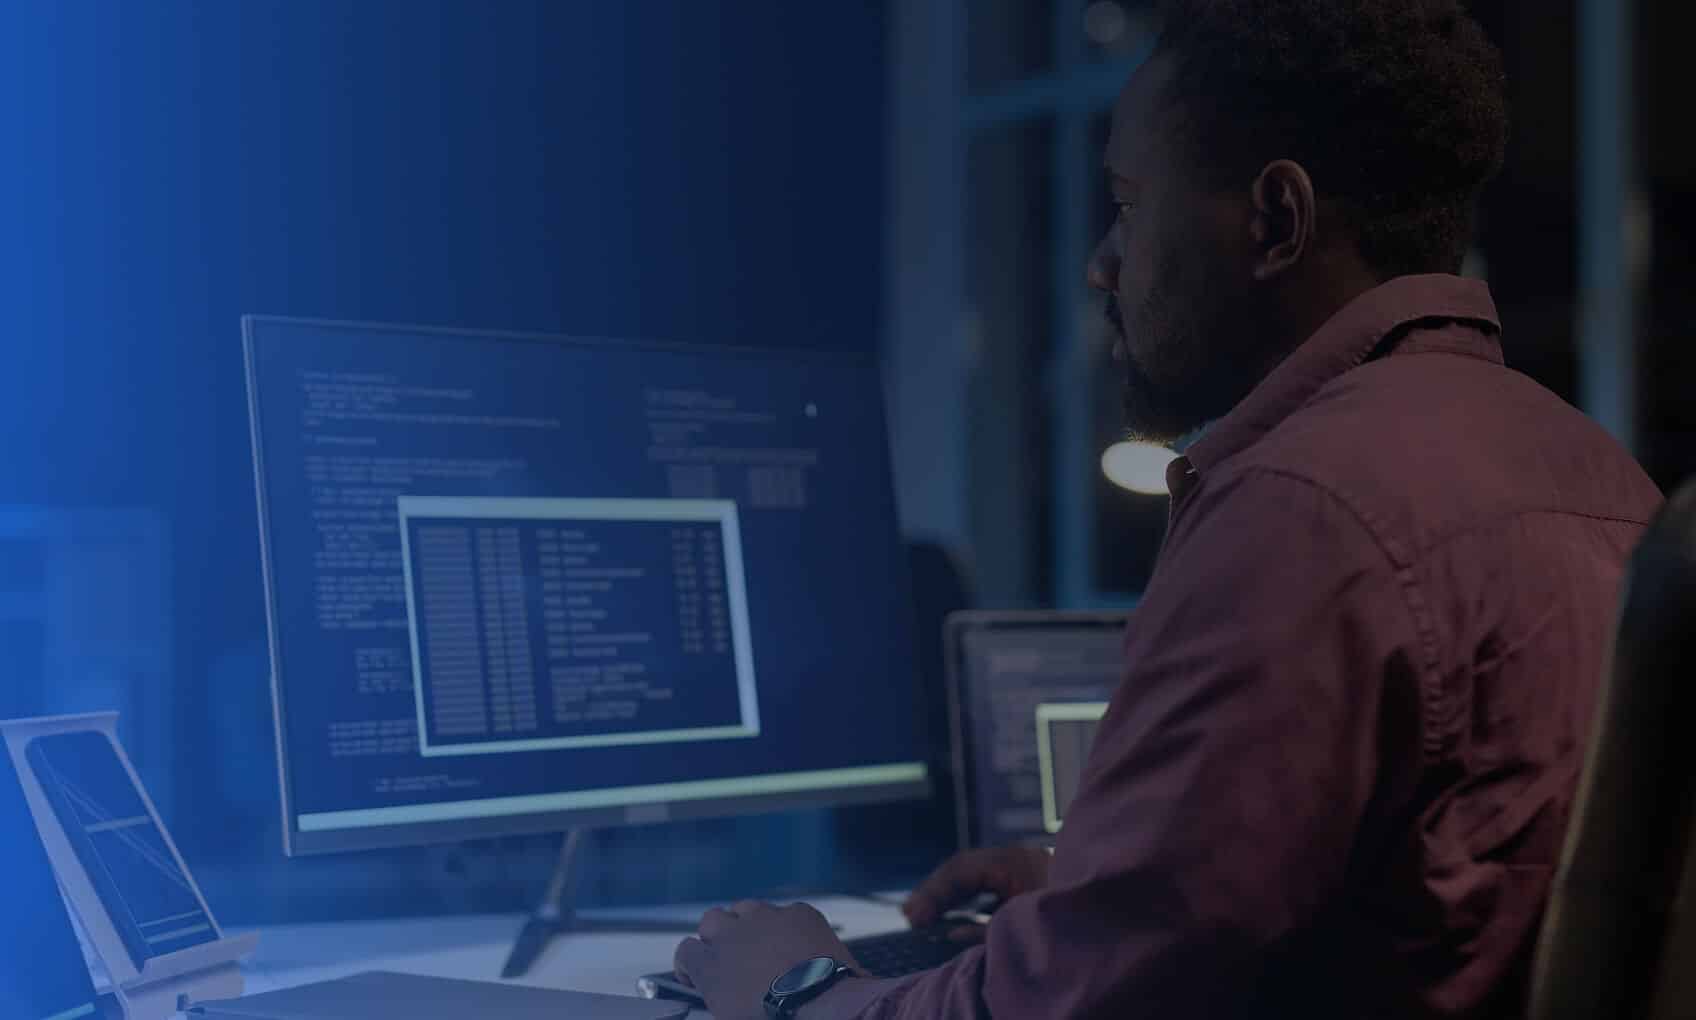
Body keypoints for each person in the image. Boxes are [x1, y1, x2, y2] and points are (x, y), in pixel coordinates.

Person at [671, 1, 1665, 1016]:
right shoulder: (1598, 476)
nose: (1103, 260)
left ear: (1274, 220)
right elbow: (1447, 877)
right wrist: (1095, 888)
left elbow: (1058, 1012)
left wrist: (796, 988)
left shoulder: (1303, 508)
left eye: (1131, 205)